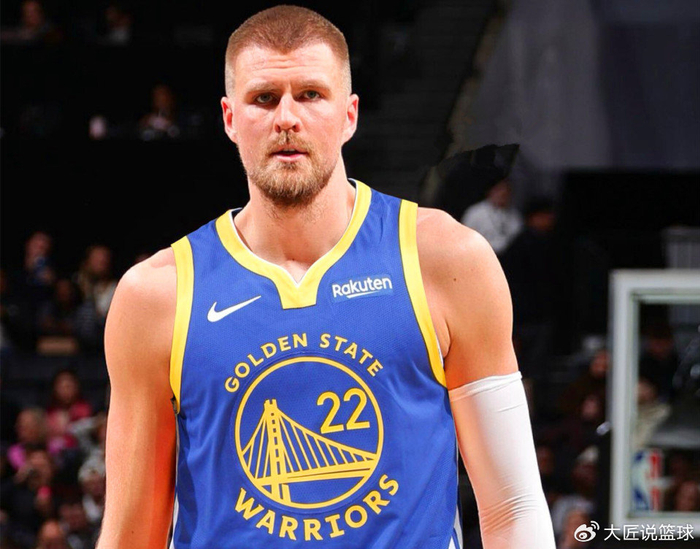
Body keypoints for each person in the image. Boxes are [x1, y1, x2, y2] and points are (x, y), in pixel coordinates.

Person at [98, 6, 554, 549]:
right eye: (264, 98)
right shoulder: (157, 295)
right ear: (229, 118)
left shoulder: (447, 260)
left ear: (349, 114)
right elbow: (130, 537)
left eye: (311, 94)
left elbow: (513, 507)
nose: (286, 118)